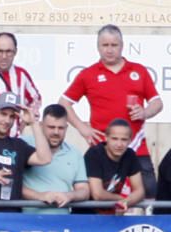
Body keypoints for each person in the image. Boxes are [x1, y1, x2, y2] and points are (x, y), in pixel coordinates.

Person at [60, 24, 162, 197]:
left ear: (122, 46)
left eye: (114, 45)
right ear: (98, 47)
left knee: (150, 193)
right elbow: (64, 103)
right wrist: (82, 128)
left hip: (136, 146)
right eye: (105, 45)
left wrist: (145, 112)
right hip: (103, 149)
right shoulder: (88, 74)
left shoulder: (139, 71)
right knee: (98, 198)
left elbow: (157, 103)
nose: (109, 50)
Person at [21, 104, 90, 214]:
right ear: (41, 125)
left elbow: (84, 191)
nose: (56, 132)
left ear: (66, 128)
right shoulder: (23, 144)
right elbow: (13, 185)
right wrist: (40, 196)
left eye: (61, 128)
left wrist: (69, 196)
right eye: (51, 127)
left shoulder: (75, 154)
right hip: (27, 224)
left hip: (62, 225)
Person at [84, 119, 145, 214]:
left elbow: (140, 191)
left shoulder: (130, 155)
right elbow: (97, 194)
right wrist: (121, 199)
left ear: (130, 140)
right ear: (106, 138)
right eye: (114, 138)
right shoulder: (94, 154)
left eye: (124, 139)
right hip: (86, 217)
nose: (119, 144)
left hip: (112, 217)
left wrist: (126, 202)